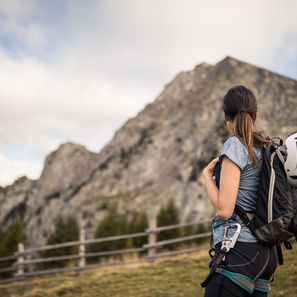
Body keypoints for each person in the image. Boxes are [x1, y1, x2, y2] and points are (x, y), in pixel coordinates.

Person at [201, 85, 278, 297]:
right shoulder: (266, 146)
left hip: (239, 252)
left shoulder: (236, 145)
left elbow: (225, 210)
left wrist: (207, 177)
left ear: (226, 116)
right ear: (256, 114)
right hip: (265, 256)